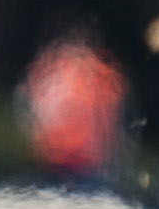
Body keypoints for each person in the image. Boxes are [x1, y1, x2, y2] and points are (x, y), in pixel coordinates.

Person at [18, 29, 127, 181]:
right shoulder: (99, 73)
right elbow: (109, 123)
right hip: (74, 164)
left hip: (64, 163)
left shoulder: (53, 71)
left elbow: (34, 114)